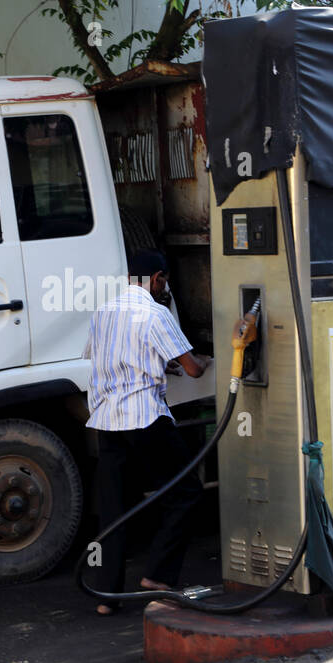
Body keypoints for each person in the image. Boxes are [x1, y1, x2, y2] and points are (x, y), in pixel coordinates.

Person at [82, 249, 210, 615]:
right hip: (145, 419)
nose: (164, 287)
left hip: (107, 422)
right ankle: (158, 577)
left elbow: (108, 359)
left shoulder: (103, 312)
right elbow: (193, 370)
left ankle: (107, 597)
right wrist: (202, 361)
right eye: (164, 281)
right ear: (157, 278)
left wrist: (155, 362)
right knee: (185, 493)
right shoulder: (156, 313)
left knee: (114, 509)